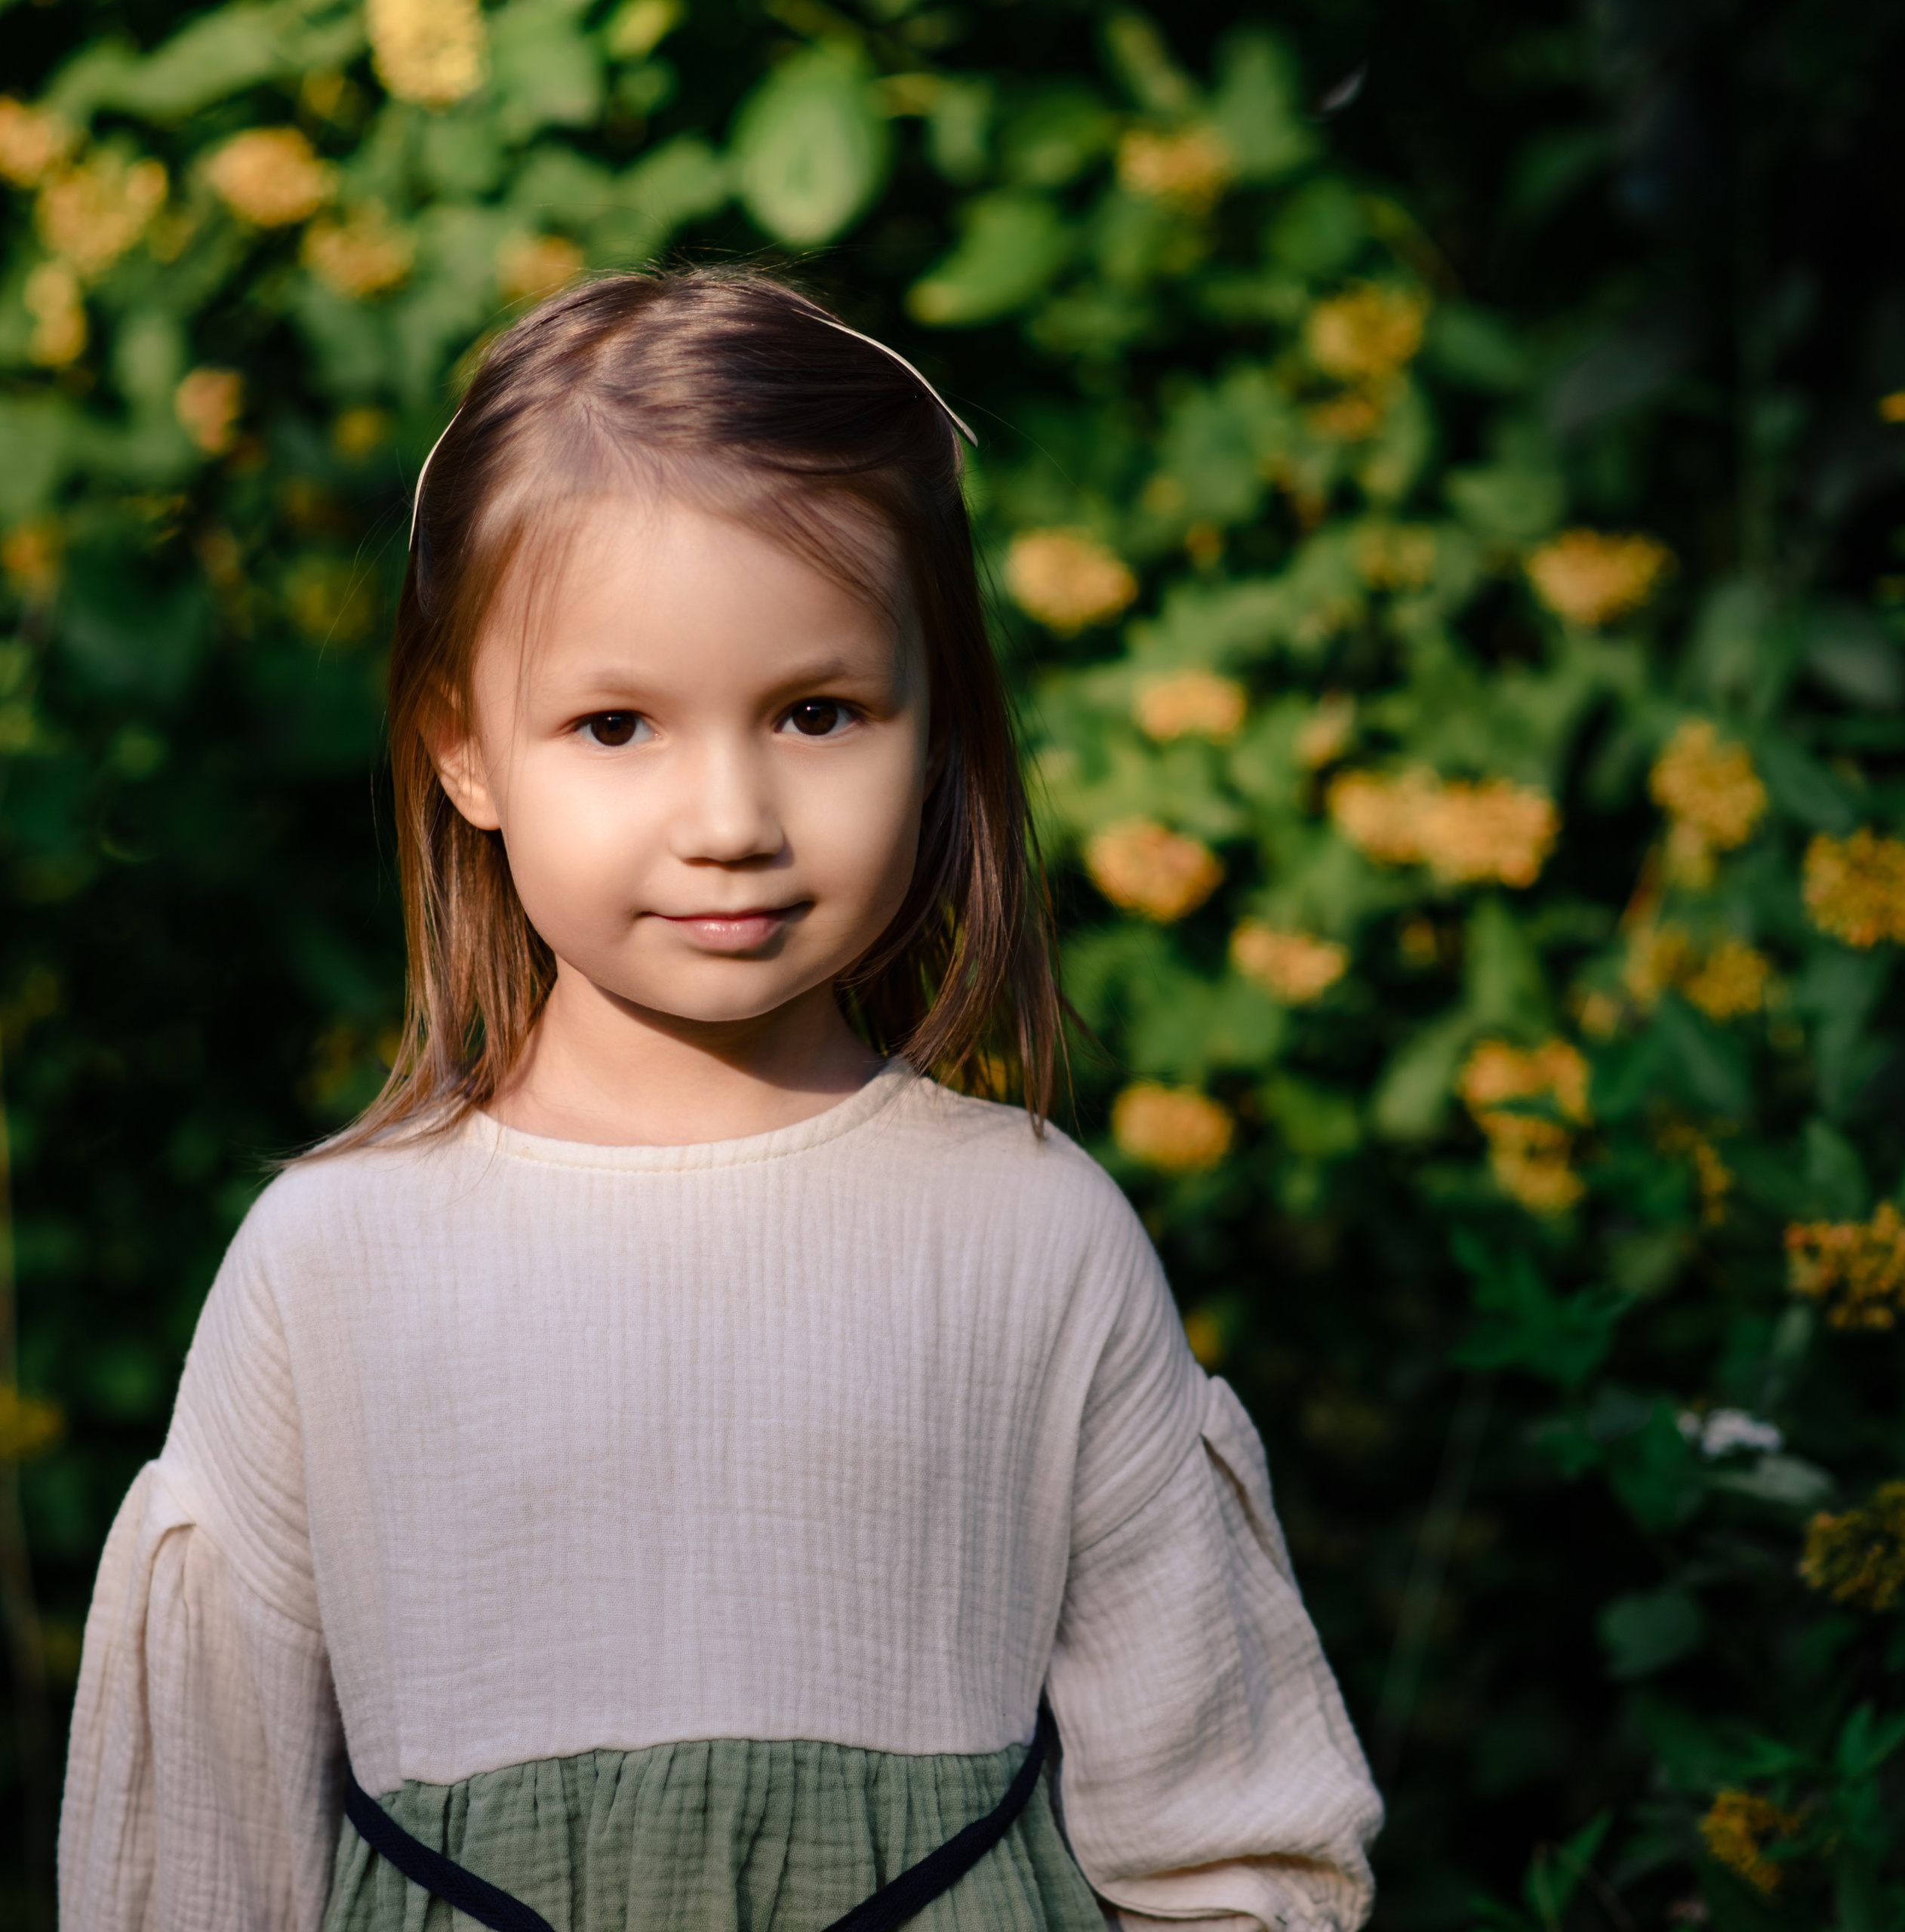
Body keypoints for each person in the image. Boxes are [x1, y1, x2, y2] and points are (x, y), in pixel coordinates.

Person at [57, 269, 1381, 1932]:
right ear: (464, 750)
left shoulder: (1034, 1234)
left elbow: (1227, 1855)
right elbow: (197, 1864)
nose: (731, 818)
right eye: (615, 724)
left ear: (937, 727)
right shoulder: (329, 1262)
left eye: (817, 713)